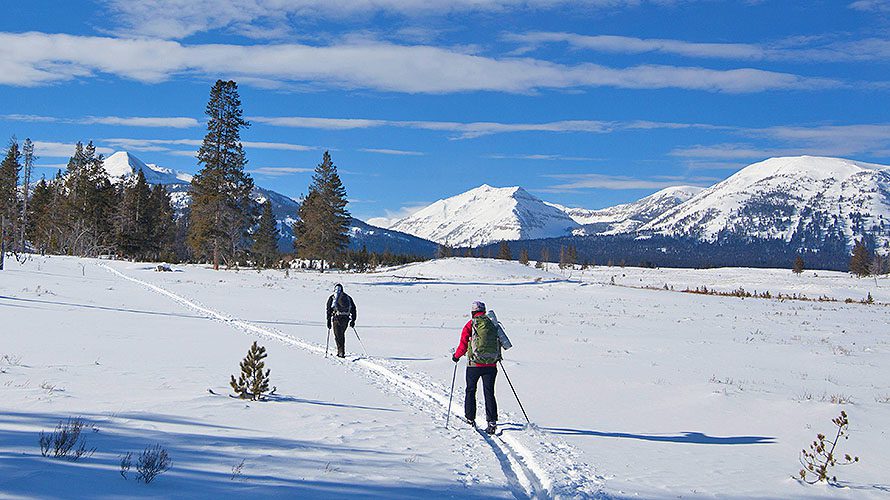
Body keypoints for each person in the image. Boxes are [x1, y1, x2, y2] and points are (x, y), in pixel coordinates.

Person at [452, 300, 500, 434]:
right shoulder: (492, 323)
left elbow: (463, 344)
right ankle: (492, 421)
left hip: (474, 365)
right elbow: (501, 341)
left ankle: (470, 418)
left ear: (473, 312)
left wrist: (456, 356)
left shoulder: (470, 324)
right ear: (484, 311)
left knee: (471, 390)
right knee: (489, 392)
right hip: (491, 364)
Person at [326, 283, 356, 358]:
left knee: (338, 335)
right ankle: (341, 351)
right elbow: (353, 309)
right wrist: (353, 320)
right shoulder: (348, 297)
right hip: (346, 319)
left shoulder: (332, 298)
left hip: (336, 318)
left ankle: (341, 352)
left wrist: (328, 320)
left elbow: (328, 310)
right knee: (341, 334)